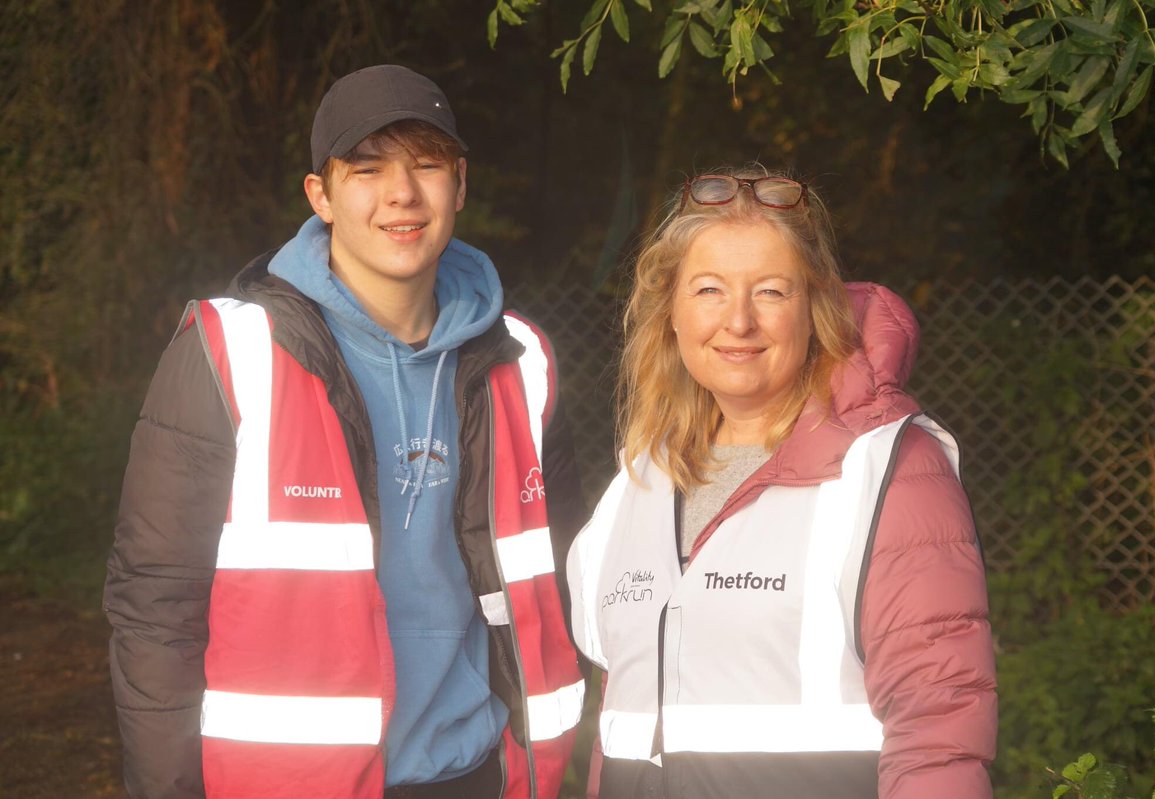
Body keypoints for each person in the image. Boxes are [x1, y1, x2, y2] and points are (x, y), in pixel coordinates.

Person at [104, 64, 587, 799]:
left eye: (426, 164)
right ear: (320, 196)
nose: (402, 192)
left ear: (460, 184)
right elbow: (155, 609)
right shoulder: (231, 351)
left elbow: (561, 580)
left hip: (476, 774)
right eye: (367, 168)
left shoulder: (521, 362)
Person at [567, 168, 998, 798]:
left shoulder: (887, 469)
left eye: (770, 291)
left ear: (815, 308)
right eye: (709, 289)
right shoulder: (640, 479)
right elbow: (624, 719)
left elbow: (940, 727)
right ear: (671, 313)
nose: (738, 322)